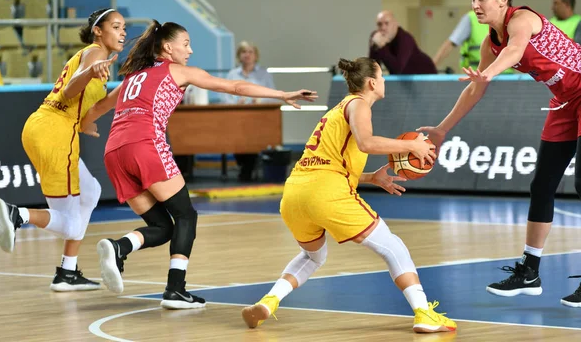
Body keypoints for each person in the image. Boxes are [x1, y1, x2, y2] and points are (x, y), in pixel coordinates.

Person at [78, 20, 318, 309]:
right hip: (145, 145)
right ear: (168, 47)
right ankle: (175, 290)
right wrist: (281, 94)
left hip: (114, 152)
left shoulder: (133, 76)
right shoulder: (180, 72)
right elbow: (235, 86)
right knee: (186, 216)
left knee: (163, 226)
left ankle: (120, 247)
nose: (190, 50)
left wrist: (85, 124)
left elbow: (99, 107)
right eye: (186, 43)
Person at [241, 57, 456, 333]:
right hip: (325, 192)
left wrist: (370, 178)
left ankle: (269, 301)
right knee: (393, 246)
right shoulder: (359, 105)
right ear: (371, 82)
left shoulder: (336, 111)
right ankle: (424, 312)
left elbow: (329, 163)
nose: (385, 81)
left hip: (295, 193)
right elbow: (366, 143)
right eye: (383, 76)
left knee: (312, 257)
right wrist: (413, 146)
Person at [417, 0, 581, 308]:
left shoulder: (522, 19)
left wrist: (490, 73)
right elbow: (475, 88)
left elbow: (516, 50)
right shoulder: (492, 41)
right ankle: (530, 271)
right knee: (542, 185)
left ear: (503, 0)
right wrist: (443, 129)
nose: (475, 4)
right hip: (566, 100)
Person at [0, 8, 125, 291]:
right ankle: (19, 215)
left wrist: (86, 123)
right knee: (71, 225)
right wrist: (89, 73)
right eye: (116, 26)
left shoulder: (94, 57)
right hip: (54, 133)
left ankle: (67, 272)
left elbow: (83, 104)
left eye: (124, 27)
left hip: (47, 127)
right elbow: (68, 92)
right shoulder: (95, 54)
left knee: (91, 191)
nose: (122, 31)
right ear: (98, 31)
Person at [223, 41, 279, 181]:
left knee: (253, 137)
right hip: (237, 118)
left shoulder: (263, 74)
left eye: (250, 52)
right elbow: (225, 96)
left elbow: (272, 95)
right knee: (236, 137)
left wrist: (259, 101)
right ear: (239, 55)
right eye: (244, 52)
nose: (247, 55)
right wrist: (236, 102)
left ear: (256, 55)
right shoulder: (232, 74)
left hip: (258, 119)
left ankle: (247, 169)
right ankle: (244, 166)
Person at [433, 11, 514, 74]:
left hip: (500, 76)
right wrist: (431, 67)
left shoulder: (509, 17)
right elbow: (450, 44)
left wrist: (430, 68)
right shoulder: (471, 18)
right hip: (481, 76)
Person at [368, 11, 437, 75]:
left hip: (426, 75)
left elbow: (397, 69)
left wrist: (382, 46)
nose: (383, 28)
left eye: (387, 23)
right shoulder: (376, 38)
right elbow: (373, 70)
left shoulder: (405, 39)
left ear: (396, 24)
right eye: (379, 24)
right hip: (406, 80)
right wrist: (375, 46)